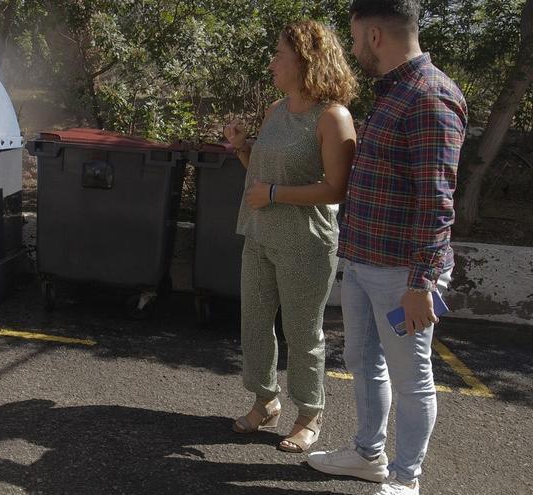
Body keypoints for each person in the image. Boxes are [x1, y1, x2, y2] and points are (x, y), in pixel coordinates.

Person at [306, 1, 467, 493]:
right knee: (362, 361)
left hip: (402, 275)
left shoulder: (430, 97)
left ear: (374, 35)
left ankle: (404, 479)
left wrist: (420, 284)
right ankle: (367, 454)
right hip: (362, 259)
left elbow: (437, 203)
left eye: (355, 39)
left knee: (412, 379)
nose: (353, 50)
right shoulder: (396, 92)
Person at [223, 20, 357, 453]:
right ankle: (265, 401)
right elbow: (263, 178)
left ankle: (309, 414)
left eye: (279, 54)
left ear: (305, 60)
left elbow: (337, 188)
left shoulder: (333, 117)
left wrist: (276, 194)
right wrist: (244, 149)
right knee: (255, 326)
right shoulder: (276, 110)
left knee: (303, 333)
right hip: (260, 235)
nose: (272, 61)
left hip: (307, 244)